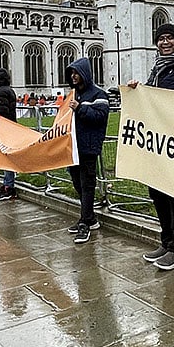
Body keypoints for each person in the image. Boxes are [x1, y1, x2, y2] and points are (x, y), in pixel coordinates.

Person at [127, 23, 174, 270]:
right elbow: (150, 100)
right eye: (160, 39)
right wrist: (137, 91)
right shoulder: (157, 69)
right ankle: (165, 240)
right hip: (158, 143)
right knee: (157, 192)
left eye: (170, 38)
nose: (164, 42)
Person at [63, 57, 110, 244]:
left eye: (76, 73)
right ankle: (89, 218)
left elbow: (100, 117)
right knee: (77, 183)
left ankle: (85, 223)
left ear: (85, 74)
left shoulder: (99, 94)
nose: (73, 76)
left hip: (89, 147)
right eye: (71, 73)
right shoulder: (73, 94)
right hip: (73, 147)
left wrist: (80, 109)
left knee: (87, 184)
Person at [0, 68, 18, 201]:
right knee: (7, 158)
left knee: (7, 159)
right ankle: (7, 184)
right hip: (10, 127)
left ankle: (9, 187)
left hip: (6, 129)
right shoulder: (7, 90)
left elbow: (3, 111)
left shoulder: (0, 93)